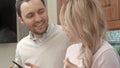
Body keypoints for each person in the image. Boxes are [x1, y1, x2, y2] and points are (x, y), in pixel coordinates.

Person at [59, 0, 120, 68]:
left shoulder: (106, 53)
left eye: (66, 24)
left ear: (81, 24)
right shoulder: (71, 50)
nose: (63, 29)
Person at [11, 0, 70, 68]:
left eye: (41, 12)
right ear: (21, 20)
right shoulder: (21, 47)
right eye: (30, 16)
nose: (38, 19)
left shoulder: (68, 34)